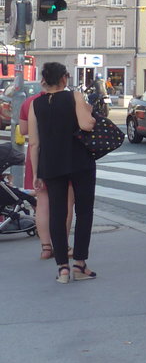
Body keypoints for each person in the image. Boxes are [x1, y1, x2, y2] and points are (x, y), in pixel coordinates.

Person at [28, 62, 97, 284]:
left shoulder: (35, 104)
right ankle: (79, 264)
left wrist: (37, 173)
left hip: (51, 164)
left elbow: (34, 143)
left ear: (44, 80)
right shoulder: (74, 96)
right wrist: (91, 114)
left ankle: (62, 269)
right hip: (80, 162)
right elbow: (87, 125)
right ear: (65, 79)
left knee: (57, 215)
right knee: (84, 212)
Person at [20, 81, 74, 259]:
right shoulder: (68, 100)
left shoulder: (30, 102)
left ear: (43, 83)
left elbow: (24, 130)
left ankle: (46, 248)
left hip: (37, 156)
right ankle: (63, 247)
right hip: (62, 153)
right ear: (62, 81)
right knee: (66, 202)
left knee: (42, 202)